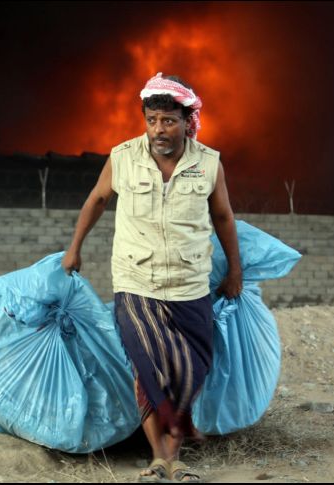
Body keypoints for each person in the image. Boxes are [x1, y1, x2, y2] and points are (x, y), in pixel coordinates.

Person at [62, 73, 242, 482]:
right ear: (144, 120)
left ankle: (172, 457)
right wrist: (75, 247)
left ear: (187, 120)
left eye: (169, 121)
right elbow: (97, 200)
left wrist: (235, 270)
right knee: (149, 368)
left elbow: (224, 217)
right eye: (152, 120)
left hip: (190, 285)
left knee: (188, 370)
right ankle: (162, 458)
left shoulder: (208, 163)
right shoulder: (122, 157)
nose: (159, 129)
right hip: (136, 283)